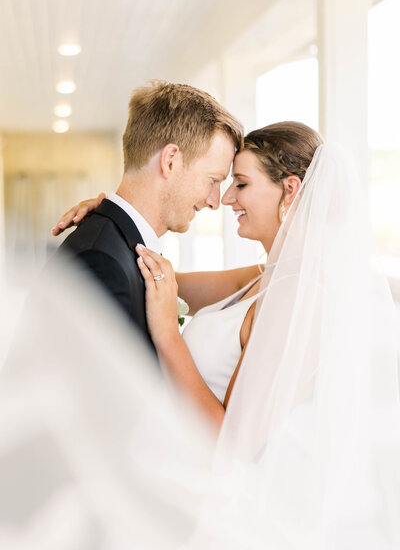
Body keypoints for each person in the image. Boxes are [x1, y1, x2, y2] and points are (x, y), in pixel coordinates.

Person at [53, 120, 400, 546]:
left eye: (240, 183)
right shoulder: (267, 276)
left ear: (290, 190)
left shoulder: (301, 295)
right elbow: (164, 279)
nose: (226, 199)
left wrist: (168, 333)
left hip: (206, 509)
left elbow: (229, 444)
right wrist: (113, 215)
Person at [52, 81, 243, 354]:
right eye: (213, 180)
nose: (215, 201)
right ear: (170, 161)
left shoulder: (118, 245)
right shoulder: (101, 260)